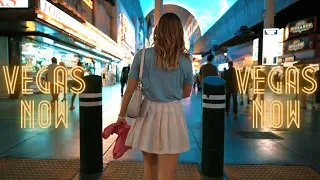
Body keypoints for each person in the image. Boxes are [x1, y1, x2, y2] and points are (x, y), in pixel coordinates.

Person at [117, 13, 193, 180]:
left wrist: (122, 116)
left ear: (158, 31)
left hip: (147, 113)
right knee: (168, 173)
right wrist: (169, 91)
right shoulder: (186, 61)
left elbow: (129, 90)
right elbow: (187, 92)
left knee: (149, 167)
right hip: (173, 114)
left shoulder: (142, 55)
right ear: (179, 33)